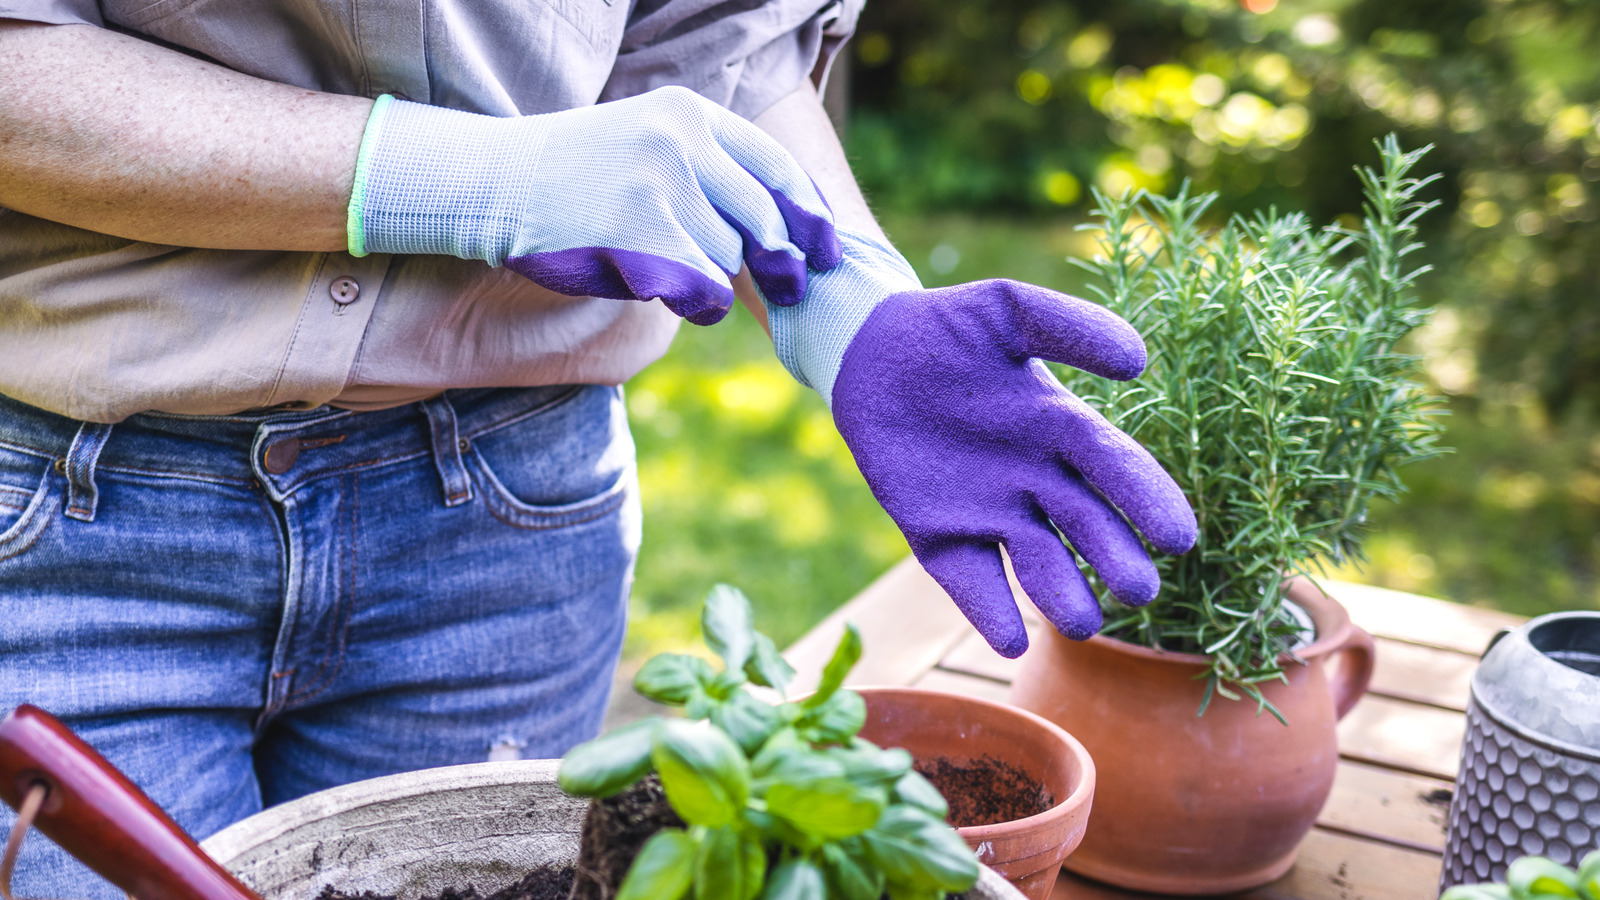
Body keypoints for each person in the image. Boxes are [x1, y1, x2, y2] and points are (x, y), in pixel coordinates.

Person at [0, 2, 1197, 896]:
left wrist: (843, 299)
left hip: (506, 515)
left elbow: (719, 41)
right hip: (77, 525)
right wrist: (466, 179)